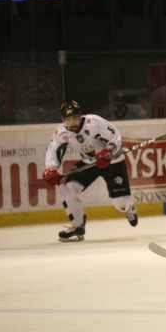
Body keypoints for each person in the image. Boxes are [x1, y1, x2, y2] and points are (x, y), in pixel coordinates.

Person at [42, 101, 138, 242]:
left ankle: (129, 209)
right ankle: (77, 226)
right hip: (89, 163)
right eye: (68, 119)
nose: (72, 122)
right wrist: (50, 169)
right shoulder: (61, 132)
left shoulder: (95, 122)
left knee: (120, 204)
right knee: (67, 189)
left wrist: (108, 151)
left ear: (80, 115)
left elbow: (115, 137)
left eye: (74, 117)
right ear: (63, 120)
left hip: (112, 162)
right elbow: (53, 151)